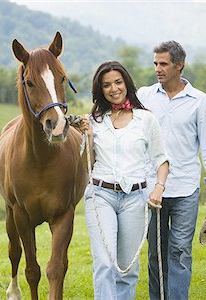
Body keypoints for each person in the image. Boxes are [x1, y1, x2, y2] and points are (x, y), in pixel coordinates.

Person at [137, 41, 206, 300]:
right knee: (156, 253)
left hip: (185, 188)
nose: (158, 68)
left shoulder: (199, 101)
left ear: (180, 65)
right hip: (152, 188)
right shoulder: (144, 96)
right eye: (155, 63)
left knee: (180, 251)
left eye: (164, 64)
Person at [76, 61, 170, 300]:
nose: (113, 88)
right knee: (105, 263)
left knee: (127, 268)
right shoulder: (95, 121)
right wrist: (86, 135)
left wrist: (158, 188)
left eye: (118, 82)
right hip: (101, 196)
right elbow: (87, 163)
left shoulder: (145, 119)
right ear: (101, 90)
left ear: (126, 83)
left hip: (135, 198)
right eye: (106, 85)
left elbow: (161, 160)